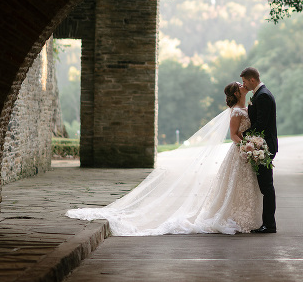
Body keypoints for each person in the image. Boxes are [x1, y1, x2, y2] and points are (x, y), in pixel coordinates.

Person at [65, 81, 262, 235]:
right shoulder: (236, 111)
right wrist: (245, 147)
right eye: (239, 85)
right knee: (233, 186)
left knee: (242, 187)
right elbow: (234, 134)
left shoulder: (247, 107)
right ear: (236, 93)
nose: (242, 85)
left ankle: (240, 216)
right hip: (240, 152)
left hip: (245, 152)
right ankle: (229, 216)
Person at [240, 67, 278, 233]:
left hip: (265, 146)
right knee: (266, 187)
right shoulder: (259, 94)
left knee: (267, 187)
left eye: (244, 81)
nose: (244, 85)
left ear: (252, 80)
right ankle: (268, 223)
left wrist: (243, 135)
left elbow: (261, 124)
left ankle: (269, 225)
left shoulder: (263, 96)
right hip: (262, 144)